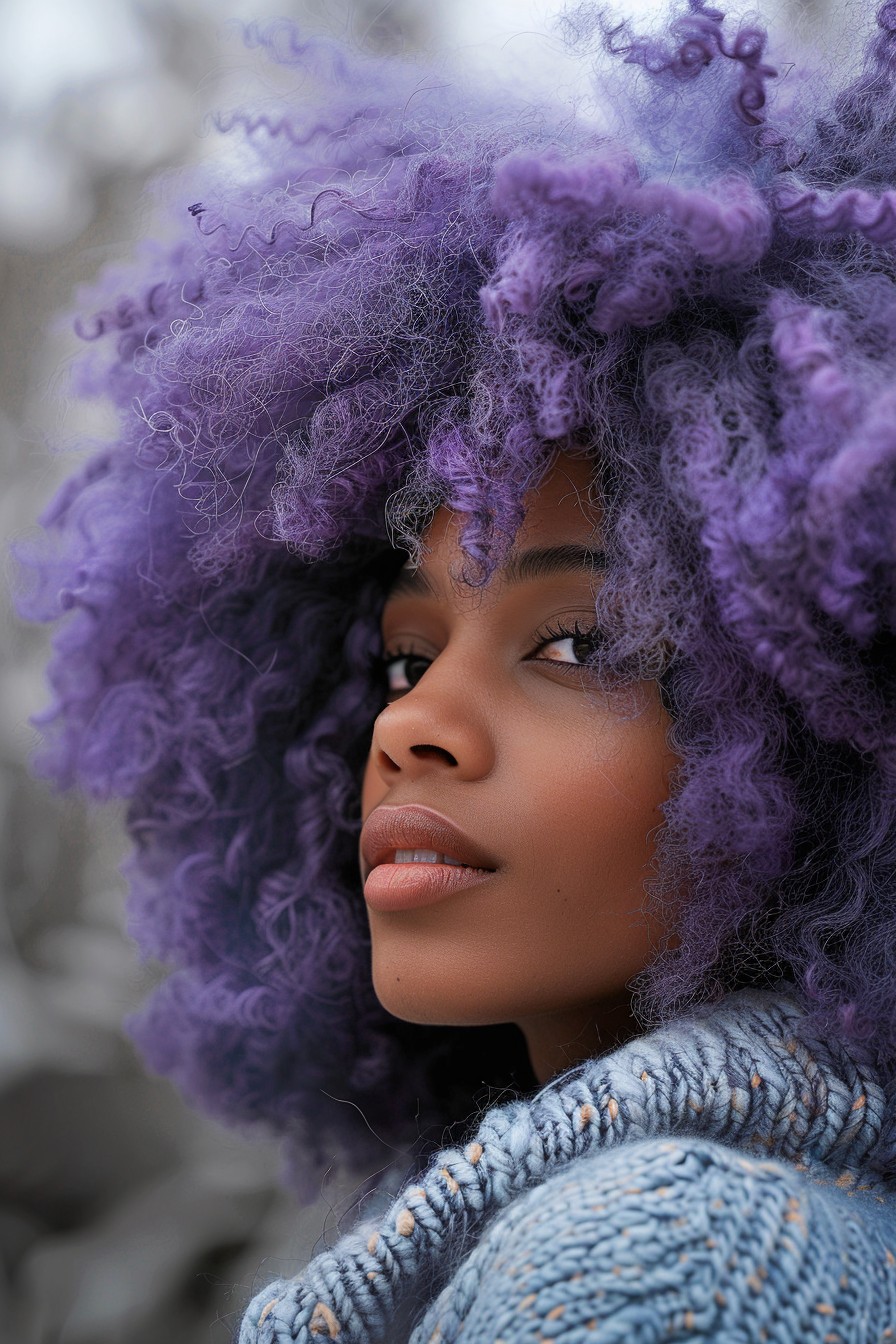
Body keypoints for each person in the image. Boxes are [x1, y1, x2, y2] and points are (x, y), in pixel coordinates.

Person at [18, 0, 896, 1338]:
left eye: (575, 644)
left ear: (826, 743)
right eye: (405, 654)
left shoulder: (663, 1259)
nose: (414, 727)